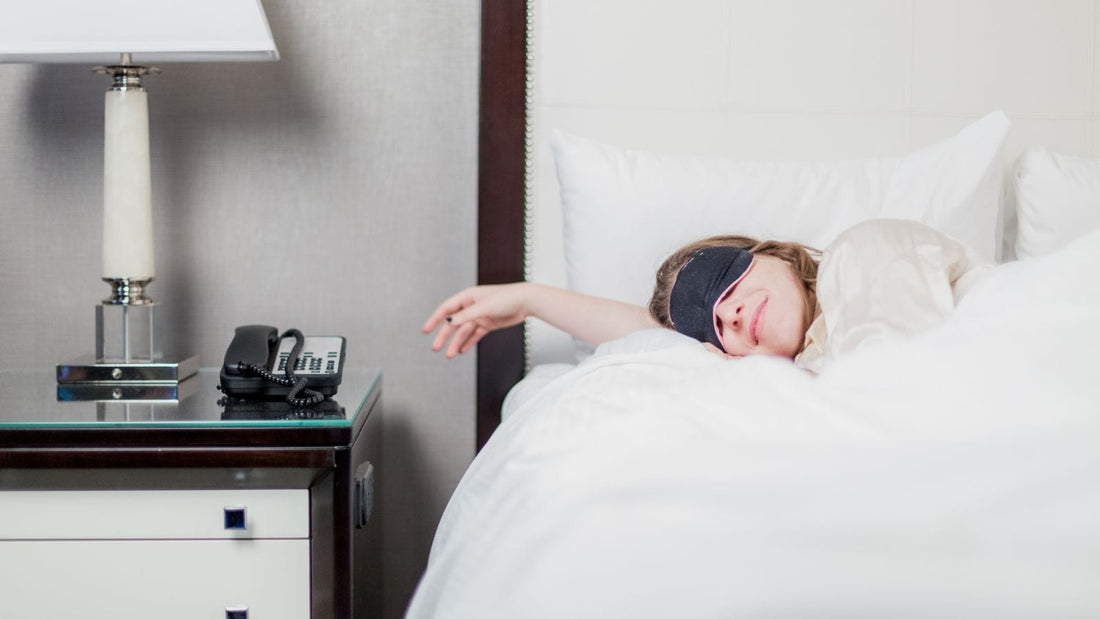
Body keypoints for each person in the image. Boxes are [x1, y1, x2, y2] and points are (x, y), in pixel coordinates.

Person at [423, 234, 820, 362]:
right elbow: (656, 336)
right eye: (712, 328)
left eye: (725, 278)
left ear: (776, 254)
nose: (730, 314)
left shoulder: (864, 260)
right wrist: (530, 299)